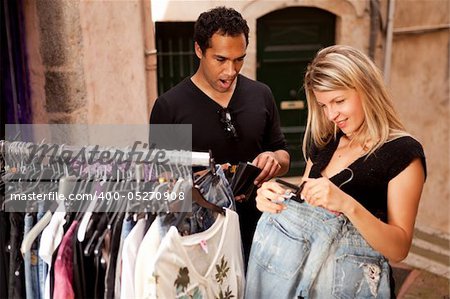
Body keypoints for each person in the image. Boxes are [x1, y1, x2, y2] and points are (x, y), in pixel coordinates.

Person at [245, 45, 426, 298]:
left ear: (367, 89)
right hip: (302, 283)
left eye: (339, 101)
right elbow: (308, 209)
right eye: (323, 105)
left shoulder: (403, 152)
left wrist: (347, 204)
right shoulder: (323, 143)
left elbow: (399, 249)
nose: (331, 114)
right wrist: (274, 199)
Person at [149, 6, 290, 264]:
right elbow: (161, 183)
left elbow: (282, 153)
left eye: (239, 59)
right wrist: (211, 186)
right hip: (200, 238)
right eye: (221, 60)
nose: (231, 71)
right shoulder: (168, 107)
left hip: (259, 231)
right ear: (199, 50)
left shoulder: (262, 94)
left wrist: (274, 159)